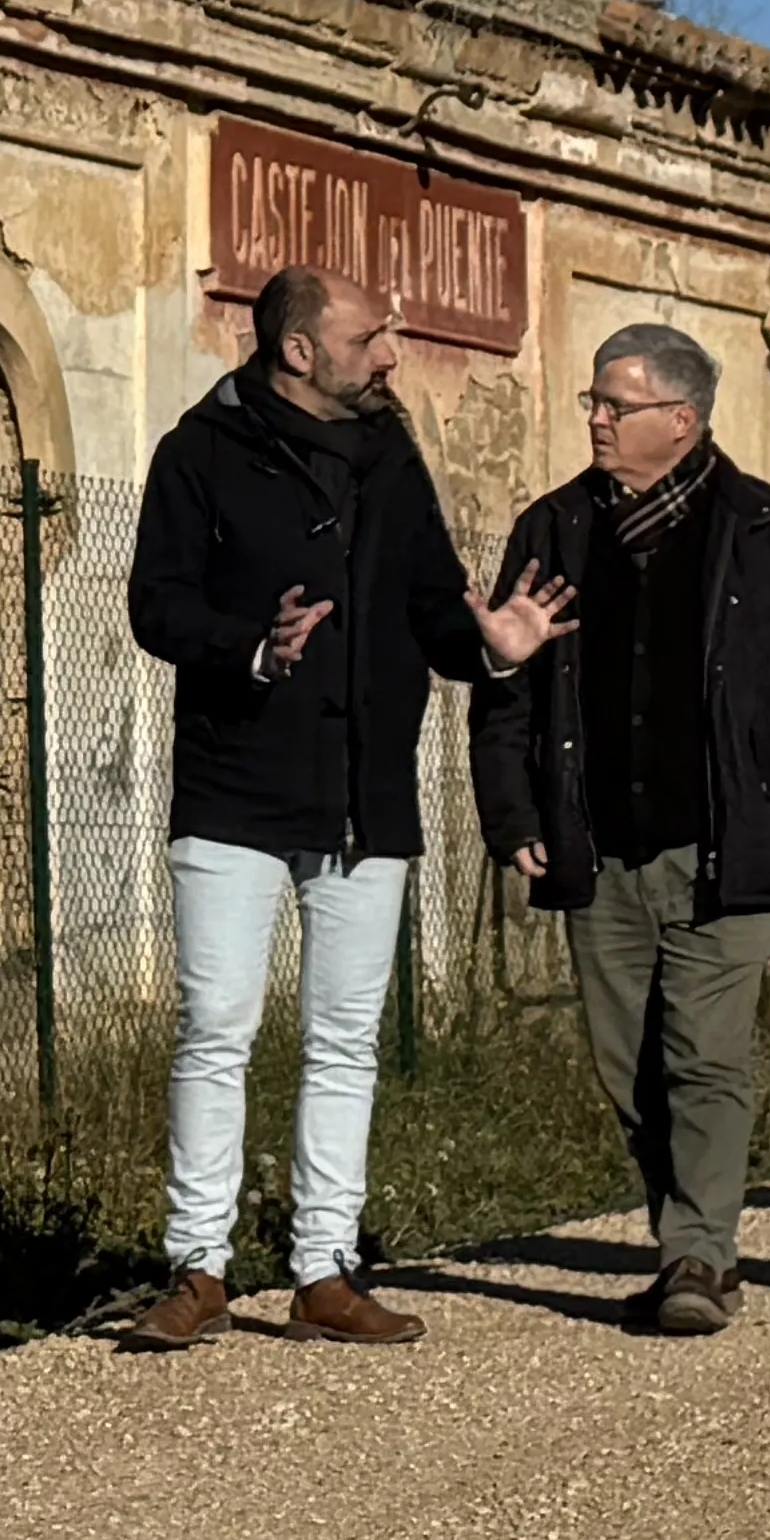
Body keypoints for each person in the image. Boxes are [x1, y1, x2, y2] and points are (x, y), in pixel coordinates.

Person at [119, 263, 569, 1346]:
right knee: (216, 1029)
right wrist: (251, 651)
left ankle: (325, 1270)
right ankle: (197, 1271)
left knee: (344, 1039)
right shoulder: (201, 453)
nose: (391, 354)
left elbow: (431, 607)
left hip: (368, 794)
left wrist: (494, 649)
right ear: (299, 351)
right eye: (371, 335)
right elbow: (155, 605)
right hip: (232, 789)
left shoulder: (392, 462)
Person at [468, 323, 770, 1337]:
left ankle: (697, 1253)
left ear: (682, 421)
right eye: (593, 404)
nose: (595, 418)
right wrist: (513, 811)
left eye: (617, 404)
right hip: (595, 843)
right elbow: (504, 687)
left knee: (706, 1055)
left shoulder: (768, 530)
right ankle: (687, 1236)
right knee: (628, 1065)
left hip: (730, 845)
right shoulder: (553, 529)